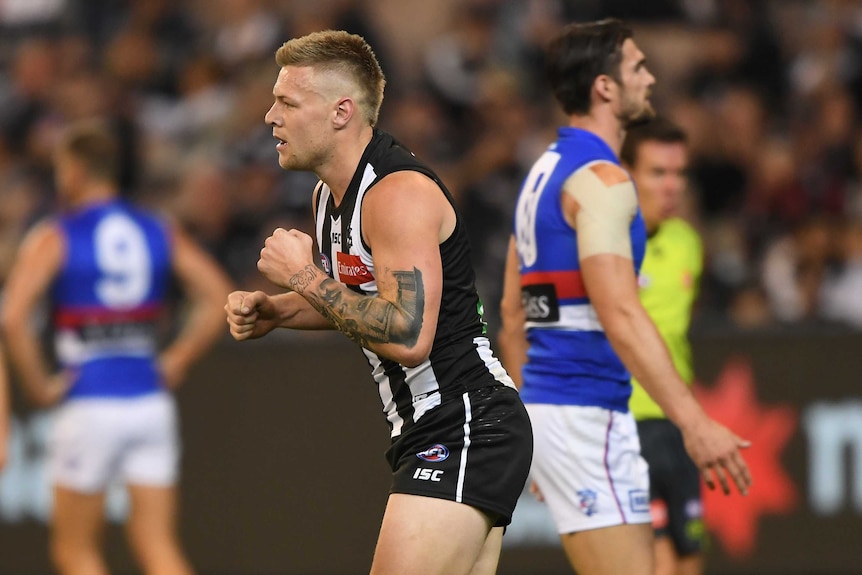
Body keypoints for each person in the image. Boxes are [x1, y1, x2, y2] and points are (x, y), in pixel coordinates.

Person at [224, 30, 533, 575]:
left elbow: (408, 337)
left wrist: (302, 275)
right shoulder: (328, 195)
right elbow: (361, 301)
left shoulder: (396, 194)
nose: (270, 117)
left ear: (341, 112)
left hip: (465, 422)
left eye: (288, 102)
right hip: (433, 427)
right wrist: (280, 311)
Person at [497, 19, 751, 575]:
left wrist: (532, 423)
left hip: (557, 409)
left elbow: (513, 315)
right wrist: (695, 423)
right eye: (637, 66)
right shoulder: (603, 182)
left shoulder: (541, 174)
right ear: (605, 87)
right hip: (587, 414)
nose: (650, 77)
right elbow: (619, 310)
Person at [0, 122, 233, 575]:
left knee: (75, 551)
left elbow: (12, 318)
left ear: (75, 171)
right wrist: (177, 358)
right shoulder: (157, 229)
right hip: (150, 400)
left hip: (88, 399)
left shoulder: (56, 234)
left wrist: (40, 387)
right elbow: (217, 294)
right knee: (158, 545)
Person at [621, 118, 707, 575]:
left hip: (678, 421)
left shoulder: (688, 244)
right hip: (627, 420)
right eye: (658, 172)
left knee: (689, 554)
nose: (672, 185)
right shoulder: (607, 246)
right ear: (627, 172)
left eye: (679, 173)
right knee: (655, 560)